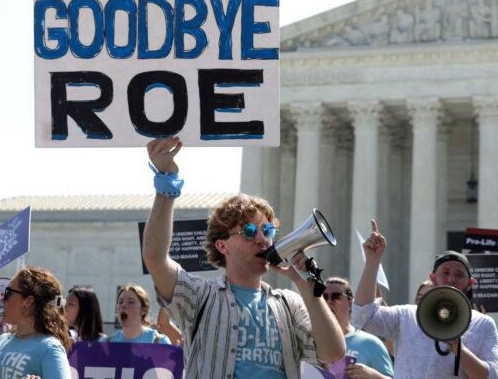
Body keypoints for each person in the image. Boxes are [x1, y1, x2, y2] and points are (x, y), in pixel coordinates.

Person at [142, 137, 345, 379]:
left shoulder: (289, 305)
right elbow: (155, 258)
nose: (262, 239)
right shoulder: (201, 296)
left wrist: (306, 286)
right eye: (249, 232)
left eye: (267, 231)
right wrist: (167, 183)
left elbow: (333, 354)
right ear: (222, 245)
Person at [353, 220, 498, 379]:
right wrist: (372, 261)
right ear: (433, 278)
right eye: (445, 272)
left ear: (470, 284)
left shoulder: (483, 324)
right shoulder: (406, 316)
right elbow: (362, 316)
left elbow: (493, 376)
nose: (451, 279)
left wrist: (459, 349)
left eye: (459, 275)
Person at [0, 267, 71, 379]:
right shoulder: (1, 340)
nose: (2, 299)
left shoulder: (49, 348)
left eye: (8, 293)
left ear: (28, 301)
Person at [324, 277, 393, 378]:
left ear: (350, 302)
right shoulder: (308, 340)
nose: (329, 301)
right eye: (324, 297)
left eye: (336, 296)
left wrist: (372, 375)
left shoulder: (370, 343)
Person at [101, 284, 171, 344]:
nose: (123, 305)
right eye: (120, 302)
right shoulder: (107, 344)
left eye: (131, 302)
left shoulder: (159, 342)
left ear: (143, 310)